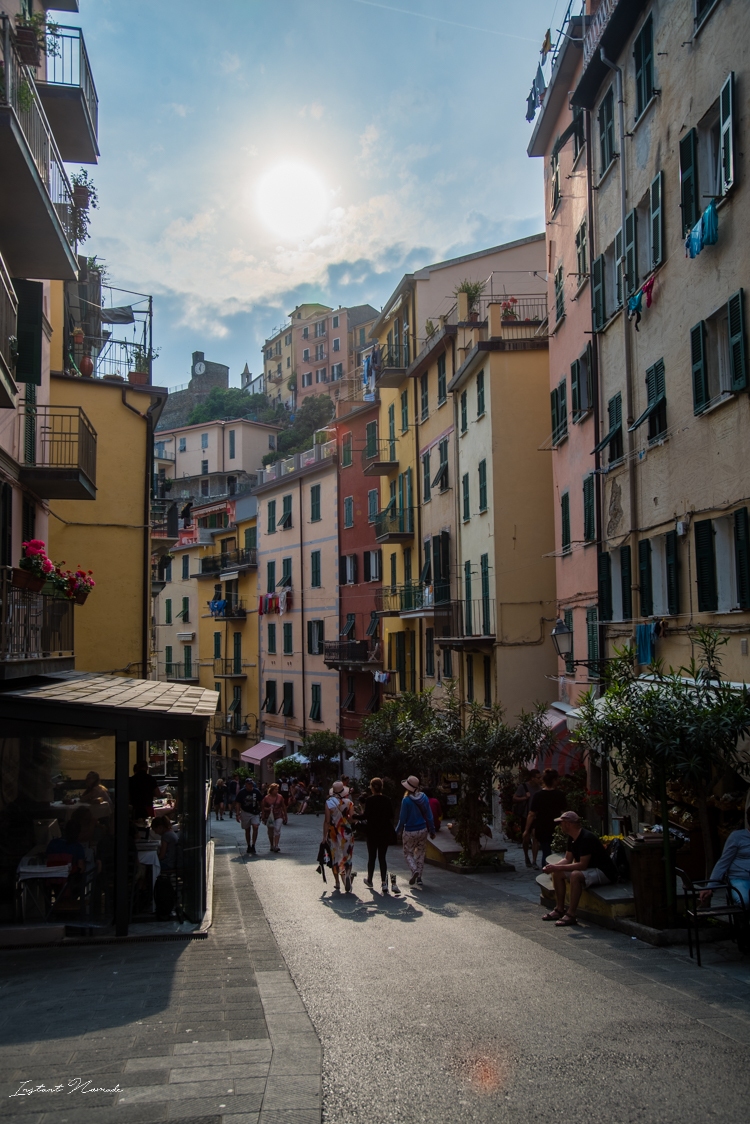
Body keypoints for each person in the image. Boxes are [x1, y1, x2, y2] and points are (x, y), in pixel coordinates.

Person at [542, 811, 618, 926]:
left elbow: (582, 865)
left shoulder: (586, 838)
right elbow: (567, 859)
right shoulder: (572, 838)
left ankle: (571, 914)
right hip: (590, 869)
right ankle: (559, 909)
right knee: (558, 873)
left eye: (561, 823)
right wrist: (553, 867)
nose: (560, 826)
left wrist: (556, 867)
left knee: (575, 875)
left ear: (568, 824)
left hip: (603, 871)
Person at [699, 804, 750, 908]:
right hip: (740, 878)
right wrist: (710, 886)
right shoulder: (737, 837)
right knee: (745, 901)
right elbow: (723, 862)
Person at [360, 778, 400, 896]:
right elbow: (391, 815)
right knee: (382, 857)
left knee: (371, 857)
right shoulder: (387, 800)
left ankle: (370, 879)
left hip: (372, 831)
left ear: (372, 788)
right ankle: (384, 882)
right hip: (384, 831)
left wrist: (355, 816)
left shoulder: (369, 800)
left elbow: (365, 816)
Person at [396, 775, 435, 887]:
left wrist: (397, 831)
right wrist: (432, 830)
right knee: (421, 853)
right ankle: (419, 878)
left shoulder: (406, 800)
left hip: (410, 831)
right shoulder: (424, 797)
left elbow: (402, 819)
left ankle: (414, 870)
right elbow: (429, 815)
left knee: (408, 853)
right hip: (422, 829)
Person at [525, 769, 566, 867]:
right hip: (555, 826)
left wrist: (527, 830)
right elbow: (563, 813)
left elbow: (531, 813)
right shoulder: (560, 795)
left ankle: (546, 870)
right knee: (557, 852)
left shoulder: (538, 795)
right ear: (554, 780)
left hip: (542, 826)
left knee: (546, 851)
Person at [323, 780, 356, 892]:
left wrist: (324, 837)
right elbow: (352, 818)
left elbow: (327, 821)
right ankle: (347, 874)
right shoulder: (349, 803)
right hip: (346, 831)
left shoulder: (328, 803)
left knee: (335, 856)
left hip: (333, 833)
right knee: (347, 855)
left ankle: (337, 882)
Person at [514, 768, 542, 867]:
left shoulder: (539, 788)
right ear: (532, 778)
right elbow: (514, 798)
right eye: (538, 778)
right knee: (526, 838)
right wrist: (525, 798)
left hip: (536, 816)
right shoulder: (523, 787)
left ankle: (534, 860)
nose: (540, 780)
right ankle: (526, 856)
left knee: (535, 836)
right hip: (526, 815)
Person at [235, 777, 263, 854]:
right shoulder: (242, 792)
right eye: (248, 784)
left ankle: (253, 844)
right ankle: (248, 845)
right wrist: (237, 814)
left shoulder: (256, 791)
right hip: (245, 812)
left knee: (255, 826)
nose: (250, 785)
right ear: (246, 784)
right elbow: (238, 803)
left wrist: (262, 812)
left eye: (251, 784)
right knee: (247, 829)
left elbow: (261, 801)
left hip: (255, 812)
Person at [261, 783, 288, 853]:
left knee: (277, 829)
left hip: (279, 815)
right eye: (275, 789)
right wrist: (267, 810)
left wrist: (285, 815)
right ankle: (271, 845)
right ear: (272, 790)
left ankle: (276, 845)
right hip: (269, 816)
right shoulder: (266, 798)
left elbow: (283, 806)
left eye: (277, 789)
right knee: (270, 831)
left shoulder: (280, 797)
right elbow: (263, 807)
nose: (277, 791)